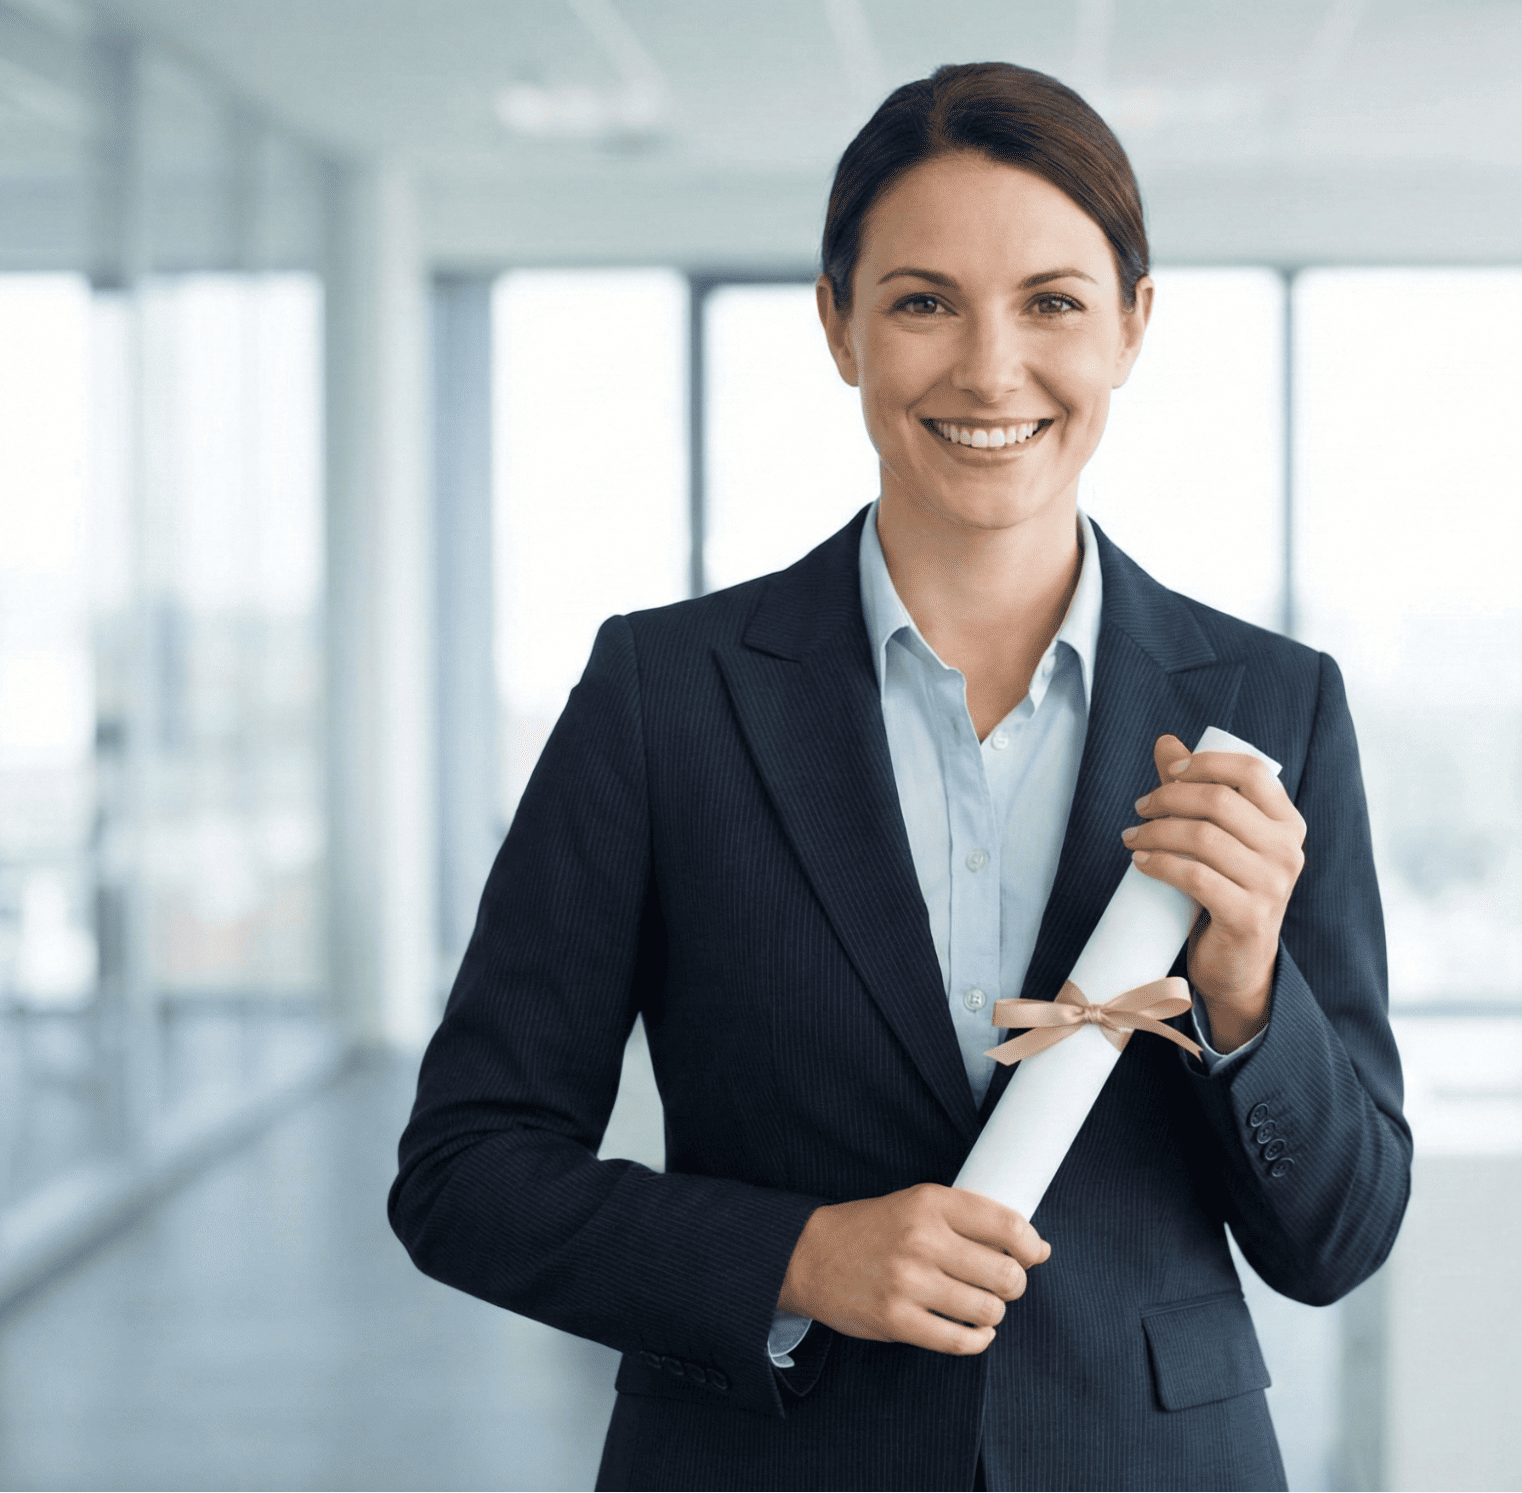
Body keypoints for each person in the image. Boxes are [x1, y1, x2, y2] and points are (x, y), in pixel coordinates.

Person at [390, 61, 1409, 1493]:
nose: (990, 370)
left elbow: (1341, 1236)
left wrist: (1247, 996)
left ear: (1131, 326)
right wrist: (798, 1256)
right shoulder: (663, 694)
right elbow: (466, 1172)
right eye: (923, 301)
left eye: (1051, 301)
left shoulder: (1268, 708)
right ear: (838, 325)